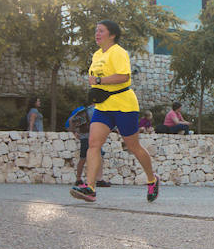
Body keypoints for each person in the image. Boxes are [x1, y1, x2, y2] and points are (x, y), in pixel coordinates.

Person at [70, 20, 159, 203]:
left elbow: (123, 76)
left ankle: (152, 179)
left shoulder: (118, 52)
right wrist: (93, 83)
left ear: (112, 35)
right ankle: (90, 188)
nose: (97, 34)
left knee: (133, 146)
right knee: (93, 144)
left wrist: (100, 82)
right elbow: (94, 77)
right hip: (103, 107)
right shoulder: (96, 54)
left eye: (101, 31)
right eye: (96, 30)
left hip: (123, 105)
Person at [66, 101, 111, 188]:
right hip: (93, 137)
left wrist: (74, 132)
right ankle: (99, 179)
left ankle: (78, 179)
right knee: (99, 157)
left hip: (84, 137)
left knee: (83, 158)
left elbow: (71, 120)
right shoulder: (96, 110)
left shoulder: (84, 110)